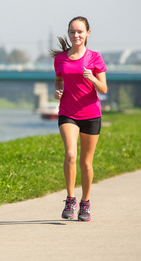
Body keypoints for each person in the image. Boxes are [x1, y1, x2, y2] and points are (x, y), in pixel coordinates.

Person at [50, 16, 108, 221]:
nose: (76, 35)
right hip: (68, 112)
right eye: (72, 32)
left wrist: (92, 77)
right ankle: (70, 199)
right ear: (68, 33)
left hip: (91, 114)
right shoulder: (60, 59)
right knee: (71, 155)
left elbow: (104, 89)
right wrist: (58, 91)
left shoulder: (95, 58)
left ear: (87, 34)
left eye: (80, 32)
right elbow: (58, 80)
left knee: (86, 163)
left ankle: (85, 203)